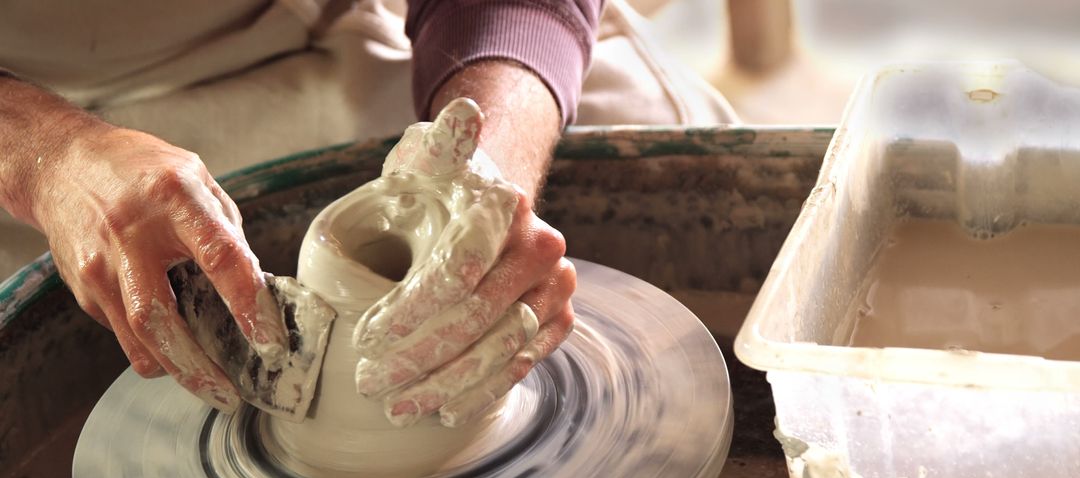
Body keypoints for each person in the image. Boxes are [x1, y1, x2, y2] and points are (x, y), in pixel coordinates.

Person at [0, 0, 735, 419]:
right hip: (65, 112)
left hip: (405, 30)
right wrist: (47, 160)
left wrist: (485, 171)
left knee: (701, 171)